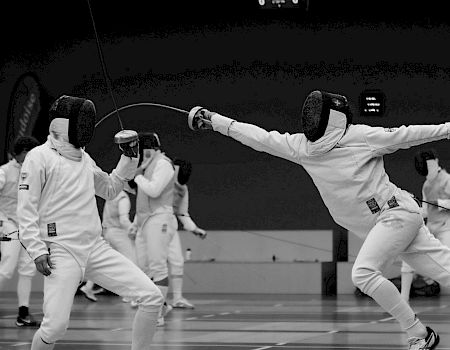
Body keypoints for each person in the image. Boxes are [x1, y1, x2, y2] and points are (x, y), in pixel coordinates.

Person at [187, 90, 450, 350]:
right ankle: (420, 334)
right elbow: (260, 138)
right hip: (389, 222)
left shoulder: (359, 137)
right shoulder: (303, 147)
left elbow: (408, 134)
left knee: (363, 273)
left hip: (394, 215)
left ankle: (419, 333)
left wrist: (446, 129)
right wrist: (216, 121)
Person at [17, 95, 163, 350]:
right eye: (83, 120)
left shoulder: (84, 158)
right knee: (55, 327)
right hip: (61, 251)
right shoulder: (39, 157)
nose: (86, 126)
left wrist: (128, 158)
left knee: (151, 297)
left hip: (95, 248)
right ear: (65, 123)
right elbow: (25, 208)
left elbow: (109, 188)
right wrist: (36, 249)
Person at [131, 132, 177, 326]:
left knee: (158, 266)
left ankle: (157, 313)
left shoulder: (163, 163)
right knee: (143, 267)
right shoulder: (147, 166)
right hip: (145, 221)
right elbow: (142, 197)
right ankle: (160, 304)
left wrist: (138, 177)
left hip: (160, 218)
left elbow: (154, 190)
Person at [0, 136, 40, 327]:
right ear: (24, 152)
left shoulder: (34, 172)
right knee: (7, 268)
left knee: (27, 269)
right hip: (7, 225)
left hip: (28, 226)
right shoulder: (4, 171)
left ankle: (23, 313)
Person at [400, 149, 450, 302]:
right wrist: (409, 208)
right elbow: (426, 212)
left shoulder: (448, 180)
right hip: (431, 226)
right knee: (408, 259)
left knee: (447, 261)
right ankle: (403, 299)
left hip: (447, 227)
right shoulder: (427, 185)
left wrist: (438, 203)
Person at [169, 158, 206, 309]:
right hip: (150, 222)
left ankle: (177, 298)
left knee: (177, 261)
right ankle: (139, 297)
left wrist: (195, 229)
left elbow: (183, 213)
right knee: (148, 262)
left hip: (170, 223)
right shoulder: (162, 179)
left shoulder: (183, 189)